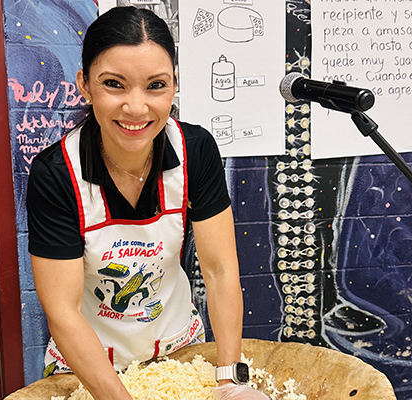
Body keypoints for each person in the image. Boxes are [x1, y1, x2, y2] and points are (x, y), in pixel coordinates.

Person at [27, 6, 268, 400]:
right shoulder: (56, 174)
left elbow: (220, 270)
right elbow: (63, 312)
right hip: (89, 368)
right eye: (114, 85)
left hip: (181, 353)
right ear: (84, 85)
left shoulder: (196, 150)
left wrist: (230, 378)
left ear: (174, 85)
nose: (137, 108)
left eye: (156, 86)